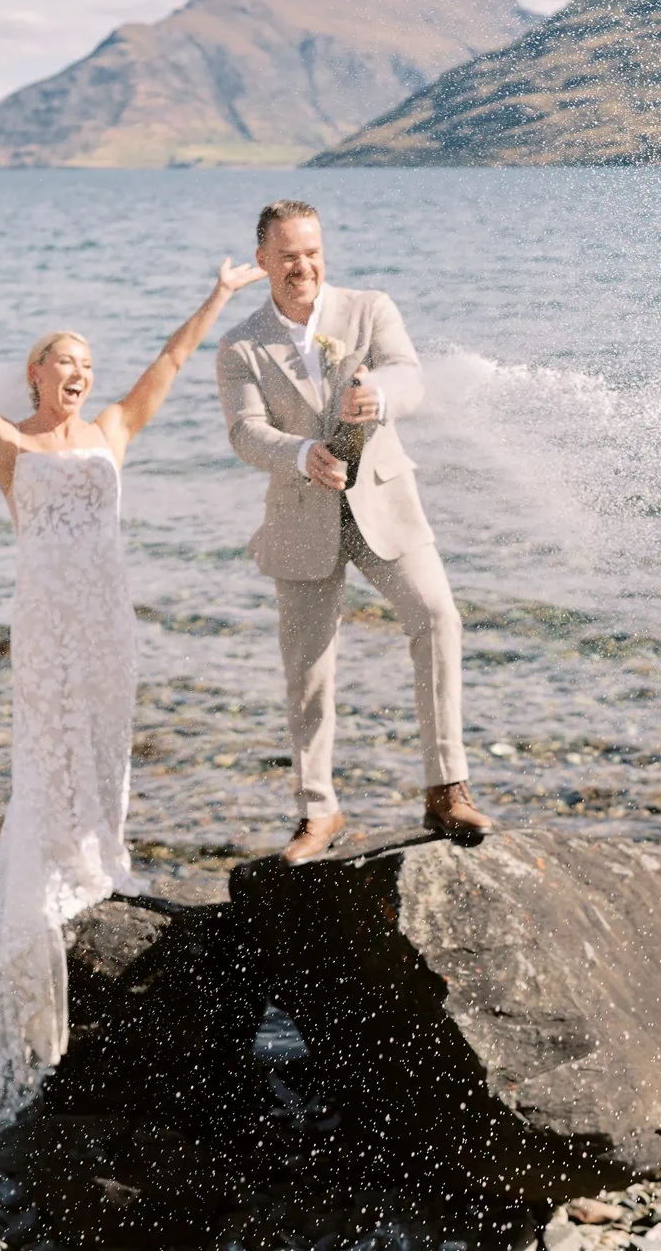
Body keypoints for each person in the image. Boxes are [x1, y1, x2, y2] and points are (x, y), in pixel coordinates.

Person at [0, 256, 266, 1150]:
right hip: (47, 622)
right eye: (64, 362)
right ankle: (51, 853)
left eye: (87, 363)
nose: (80, 373)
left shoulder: (114, 428)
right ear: (34, 374)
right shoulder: (5, 441)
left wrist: (220, 293)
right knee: (50, 739)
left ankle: (98, 850)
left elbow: (170, 359)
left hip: (107, 619)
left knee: (106, 740)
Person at [215, 200, 491, 864]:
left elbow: (409, 374)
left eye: (311, 252)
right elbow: (244, 431)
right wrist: (297, 454)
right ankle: (318, 810)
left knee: (438, 615)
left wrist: (383, 397)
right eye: (286, 257)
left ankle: (446, 786)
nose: (301, 266)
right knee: (308, 670)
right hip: (299, 514)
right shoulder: (240, 346)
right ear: (262, 262)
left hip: (385, 501)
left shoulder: (371, 309)